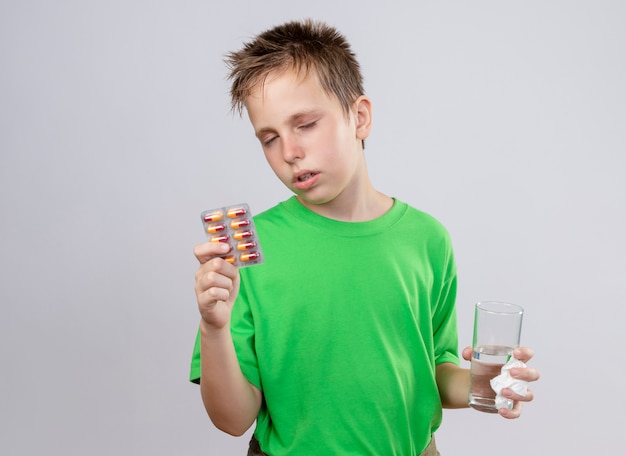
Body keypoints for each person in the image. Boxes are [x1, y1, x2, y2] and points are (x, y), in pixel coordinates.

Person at [190, 19, 540, 456]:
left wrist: (480, 382)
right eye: (269, 137)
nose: (289, 152)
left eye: (305, 124)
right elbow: (233, 419)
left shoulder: (427, 239)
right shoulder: (248, 254)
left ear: (359, 117)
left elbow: (433, 371)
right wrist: (214, 327)